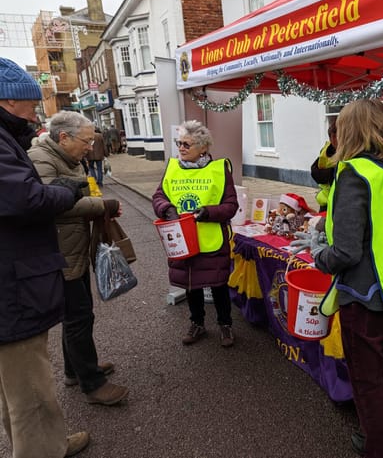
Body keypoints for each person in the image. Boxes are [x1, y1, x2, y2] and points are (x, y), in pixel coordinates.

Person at [303, 99, 383, 457]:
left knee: (367, 386)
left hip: (363, 295)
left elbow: (345, 252)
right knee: (380, 378)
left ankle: (378, 449)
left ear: (348, 131)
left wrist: (318, 254)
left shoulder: (355, 173)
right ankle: (382, 442)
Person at [0, 57, 90, 457]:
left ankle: (43, 443)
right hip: (12, 284)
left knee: (13, 387)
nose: (36, 110)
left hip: (12, 277)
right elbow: (27, 198)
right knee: (30, 388)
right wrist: (69, 191)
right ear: (8, 100)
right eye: (31, 102)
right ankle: (41, 449)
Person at [28, 111, 130, 407]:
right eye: (86, 141)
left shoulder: (64, 157)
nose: (90, 146)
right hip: (60, 252)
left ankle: (76, 370)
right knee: (79, 317)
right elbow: (53, 204)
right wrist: (102, 205)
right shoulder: (41, 158)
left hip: (71, 249)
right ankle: (93, 384)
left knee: (76, 315)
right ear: (64, 137)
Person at [152, 120, 239, 347]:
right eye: (179, 143)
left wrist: (209, 212)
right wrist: (166, 209)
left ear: (203, 148)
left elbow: (231, 205)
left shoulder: (219, 170)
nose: (181, 148)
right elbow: (159, 196)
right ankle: (197, 323)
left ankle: (225, 325)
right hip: (183, 240)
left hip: (211, 239)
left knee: (218, 285)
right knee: (191, 285)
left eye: (187, 144)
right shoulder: (172, 168)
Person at [310, 121, 337, 212]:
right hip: (326, 200)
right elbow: (314, 171)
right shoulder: (326, 150)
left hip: (336, 200)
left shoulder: (349, 150)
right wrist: (332, 172)